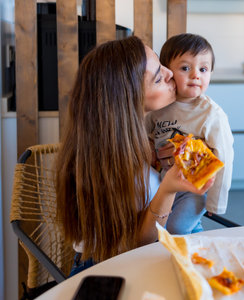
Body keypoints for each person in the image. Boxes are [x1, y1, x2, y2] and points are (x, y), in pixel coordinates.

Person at [55, 36, 214, 276]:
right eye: (159, 78)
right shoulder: (108, 162)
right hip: (109, 271)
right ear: (129, 98)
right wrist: (168, 188)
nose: (170, 73)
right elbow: (140, 244)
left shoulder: (129, 134)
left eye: (162, 65)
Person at [146, 33, 234, 235]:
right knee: (157, 229)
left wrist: (216, 203)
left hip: (194, 189)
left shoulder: (211, 114)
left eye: (203, 69)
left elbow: (225, 158)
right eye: (185, 68)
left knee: (176, 228)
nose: (196, 75)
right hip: (162, 183)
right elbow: (145, 134)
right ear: (167, 72)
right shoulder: (159, 106)